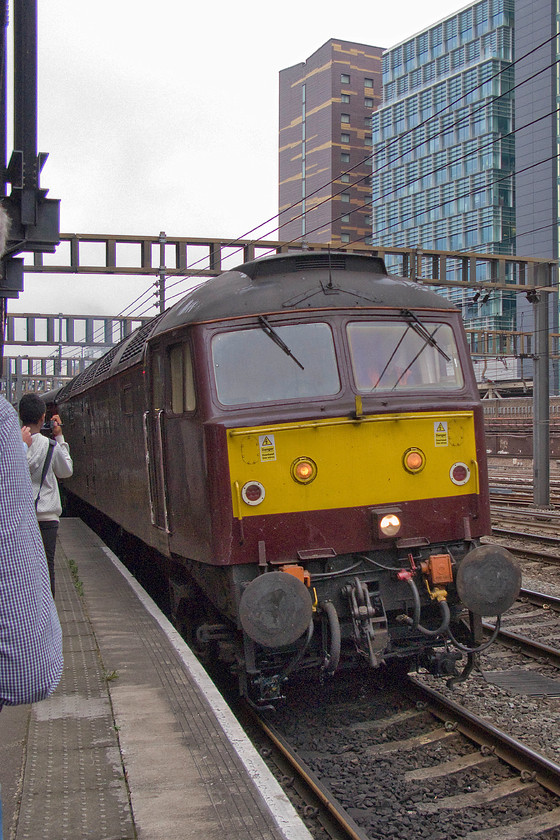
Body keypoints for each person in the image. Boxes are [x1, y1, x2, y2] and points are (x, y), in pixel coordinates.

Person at [18, 393, 73, 597]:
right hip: (47, 517)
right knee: (47, 565)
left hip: (23, 517)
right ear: (43, 418)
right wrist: (59, 436)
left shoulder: (14, 447)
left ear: (21, 416)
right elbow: (66, 471)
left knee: (24, 567)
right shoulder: (51, 446)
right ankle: (47, 609)